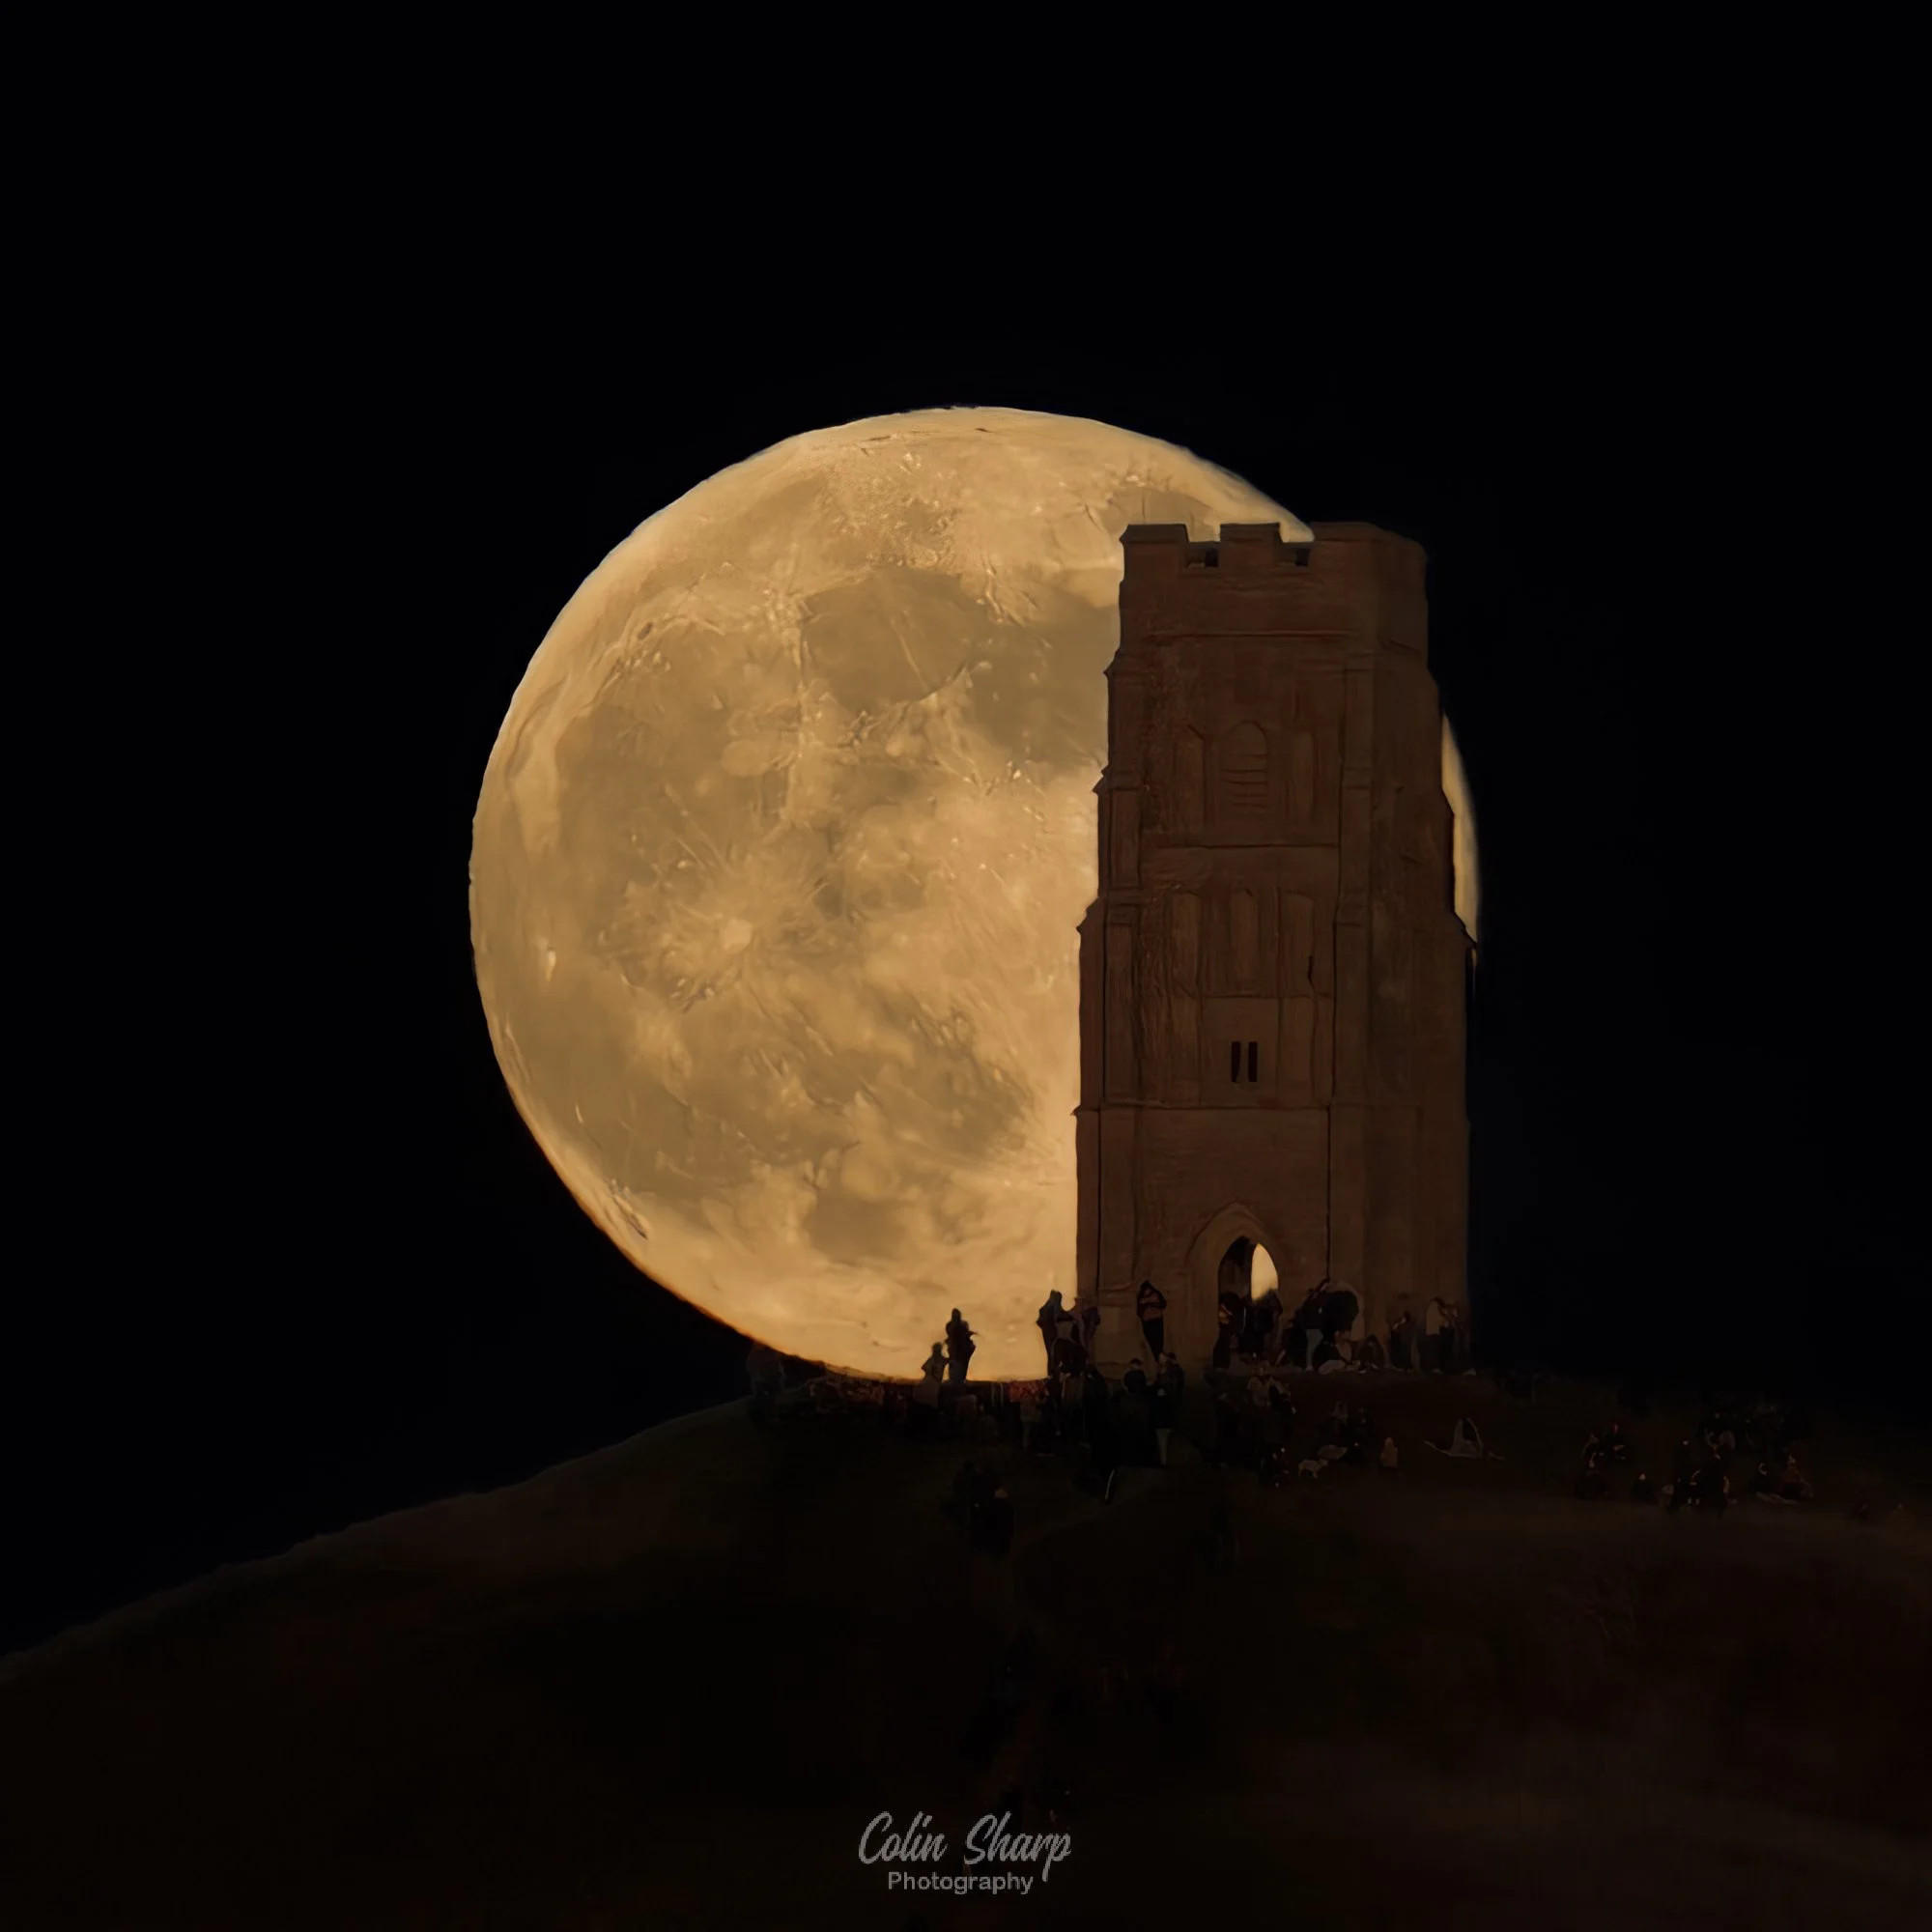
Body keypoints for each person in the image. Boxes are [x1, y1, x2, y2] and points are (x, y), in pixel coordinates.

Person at [1137, 1280, 1167, 1362]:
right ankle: (1158, 1359)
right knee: (1152, 1343)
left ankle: (1160, 1358)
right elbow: (1139, 1310)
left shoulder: (1155, 1295)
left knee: (1158, 1342)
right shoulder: (1141, 1297)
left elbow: (1162, 1304)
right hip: (1148, 1321)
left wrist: (1148, 1302)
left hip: (1156, 1320)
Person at [1036, 1293, 1065, 1378]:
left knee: (1049, 1351)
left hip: (1048, 1329)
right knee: (1051, 1351)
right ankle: (1051, 1372)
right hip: (1050, 1329)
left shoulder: (1049, 1299)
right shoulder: (1055, 1296)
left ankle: (1050, 1372)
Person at [946, 1309, 976, 1384]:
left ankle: (961, 1379)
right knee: (954, 1362)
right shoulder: (950, 1325)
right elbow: (950, 1335)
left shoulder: (961, 1324)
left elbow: (964, 1334)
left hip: (962, 1348)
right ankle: (954, 1379)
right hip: (955, 1348)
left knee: (962, 1363)